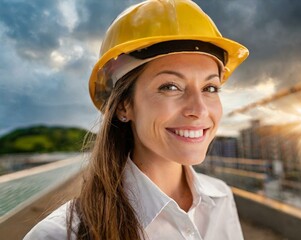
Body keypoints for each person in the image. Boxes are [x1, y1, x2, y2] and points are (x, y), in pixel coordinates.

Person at [24, 0, 249, 239]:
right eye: (170, 86)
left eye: (210, 88)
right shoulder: (59, 235)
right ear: (124, 105)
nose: (199, 109)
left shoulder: (221, 198)